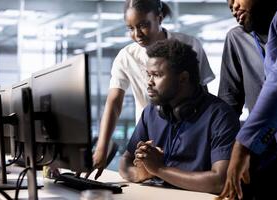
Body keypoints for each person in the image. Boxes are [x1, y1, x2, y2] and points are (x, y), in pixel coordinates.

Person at [92, 0, 215, 179]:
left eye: (143, 25)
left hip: (189, 138)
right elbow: (114, 102)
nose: (137, 34)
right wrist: (101, 148)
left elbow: (203, 95)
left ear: (159, 17)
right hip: (148, 139)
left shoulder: (189, 45)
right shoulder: (126, 57)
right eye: (130, 28)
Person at [119, 39, 239, 194]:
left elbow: (221, 181)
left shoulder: (220, 116)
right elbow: (125, 162)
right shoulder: (151, 112)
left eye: (156, 75)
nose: (149, 82)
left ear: (183, 78)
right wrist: (140, 174)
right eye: (148, 75)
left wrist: (159, 169)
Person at [218, 0, 277, 199]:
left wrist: (243, 145)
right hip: (261, 149)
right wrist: (224, 154)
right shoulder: (236, 39)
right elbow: (228, 103)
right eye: (228, 3)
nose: (232, 6)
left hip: (252, 142)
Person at [218, 0, 266, 115]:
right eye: (230, 8)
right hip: (262, 129)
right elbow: (229, 99)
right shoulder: (237, 39)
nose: (234, 8)